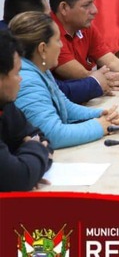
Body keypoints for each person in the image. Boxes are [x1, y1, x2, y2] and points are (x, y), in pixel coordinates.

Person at [10, 12, 119, 149]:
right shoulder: (27, 80)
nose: (61, 45)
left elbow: (65, 106)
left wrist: (101, 114)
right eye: (57, 40)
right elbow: (53, 135)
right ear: (42, 49)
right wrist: (99, 126)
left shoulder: (39, 67)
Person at [3, 0, 119, 103]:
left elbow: (55, 89)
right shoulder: (8, 53)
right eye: (46, 17)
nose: (51, 20)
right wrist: (95, 82)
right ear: (30, 21)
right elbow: (58, 92)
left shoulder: (21, 45)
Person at [0, 30, 52, 191]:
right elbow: (18, 178)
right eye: (16, 73)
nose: (21, 79)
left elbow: (41, 137)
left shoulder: (5, 105)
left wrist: (30, 168)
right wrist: (30, 167)